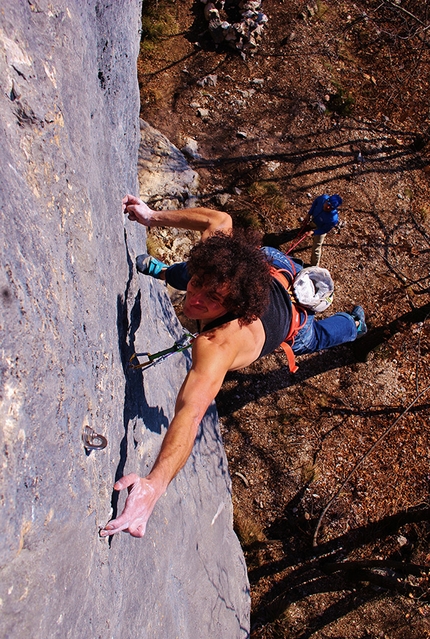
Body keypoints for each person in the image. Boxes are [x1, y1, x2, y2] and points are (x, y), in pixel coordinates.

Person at [100, 194, 366, 539]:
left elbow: (191, 411)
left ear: (237, 305)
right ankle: (172, 272)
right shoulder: (224, 274)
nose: (194, 301)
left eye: (214, 300)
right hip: (271, 265)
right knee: (204, 267)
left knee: (318, 337)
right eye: (197, 288)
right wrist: (152, 217)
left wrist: (154, 484)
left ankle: (354, 325)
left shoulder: (218, 344)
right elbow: (218, 221)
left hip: (294, 316)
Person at [307, 194, 342, 266]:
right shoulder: (322, 198)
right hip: (314, 220)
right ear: (327, 200)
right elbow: (315, 202)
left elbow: (324, 230)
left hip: (320, 228)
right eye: (328, 204)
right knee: (308, 226)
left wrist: (314, 232)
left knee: (316, 247)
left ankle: (314, 266)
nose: (328, 207)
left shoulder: (333, 219)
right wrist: (309, 214)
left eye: (331, 207)